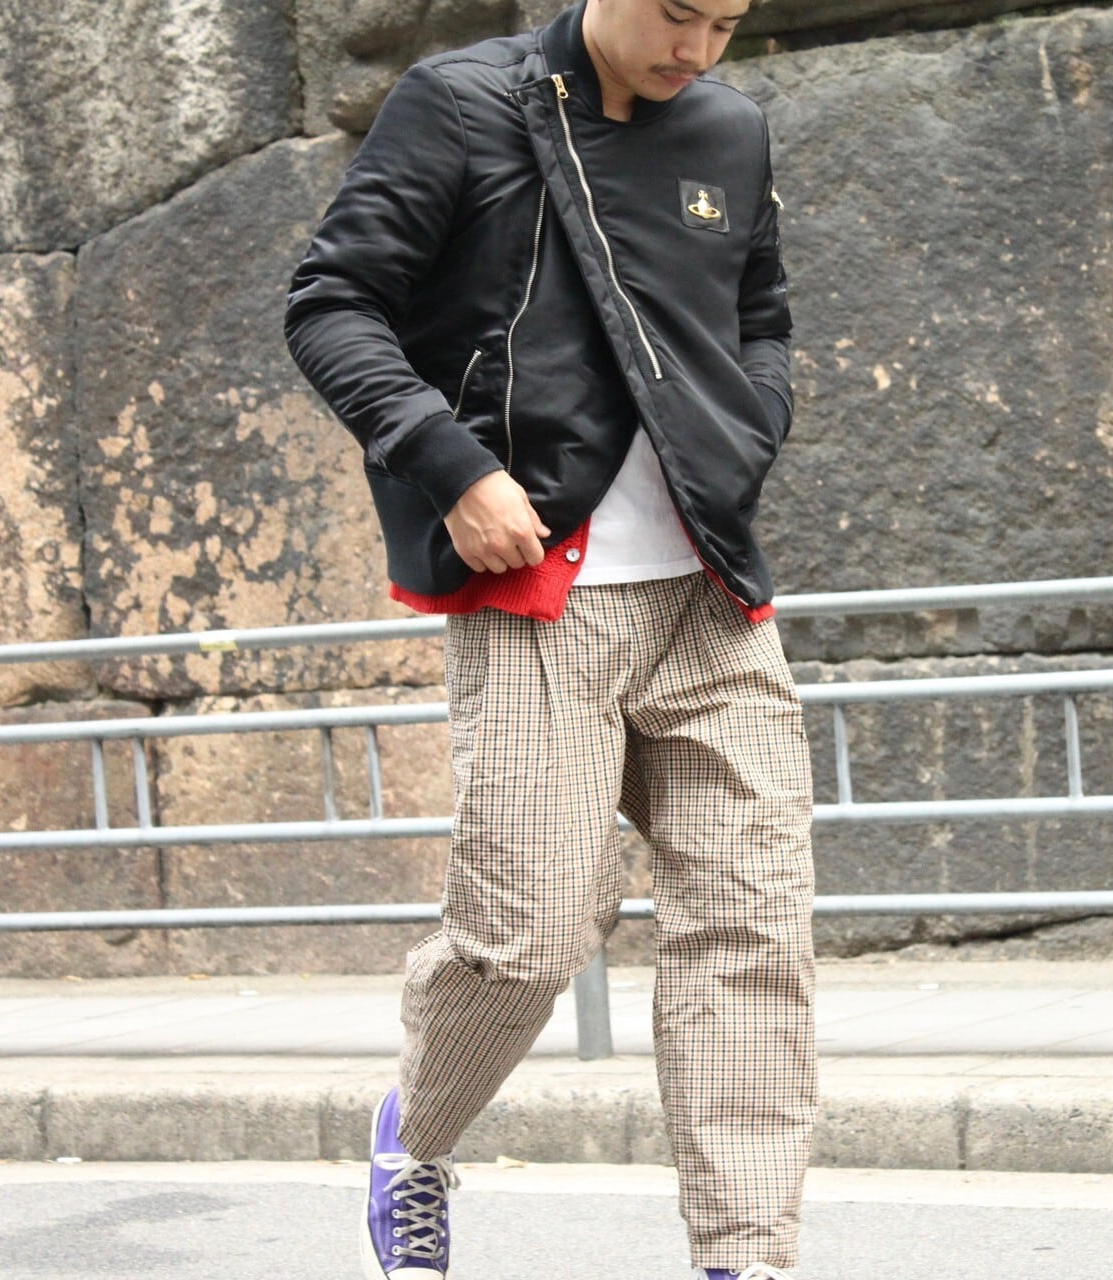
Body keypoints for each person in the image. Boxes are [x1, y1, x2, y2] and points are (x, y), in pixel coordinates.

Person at [285, 0, 815, 1276]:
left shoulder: (727, 131)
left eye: (725, 22)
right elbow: (331, 303)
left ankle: (743, 1255)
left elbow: (761, 319)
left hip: (707, 595)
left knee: (752, 932)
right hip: (538, 588)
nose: (696, 50)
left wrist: (745, 434)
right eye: (676, 13)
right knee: (526, 934)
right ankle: (416, 1139)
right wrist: (453, 469)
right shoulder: (459, 104)